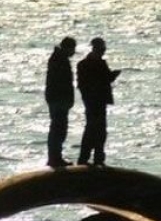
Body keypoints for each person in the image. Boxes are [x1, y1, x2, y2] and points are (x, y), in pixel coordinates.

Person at [76, 37, 121, 166]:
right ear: (95, 49)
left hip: (100, 101)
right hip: (92, 102)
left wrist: (113, 75)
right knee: (92, 129)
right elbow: (83, 84)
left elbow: (106, 79)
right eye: (102, 49)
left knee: (100, 130)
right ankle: (84, 159)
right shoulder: (84, 64)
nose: (103, 52)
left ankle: (98, 158)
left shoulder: (99, 63)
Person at [44, 36, 77, 168]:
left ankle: (55, 156)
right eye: (73, 48)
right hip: (58, 99)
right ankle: (54, 158)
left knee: (58, 129)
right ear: (68, 48)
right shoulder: (59, 60)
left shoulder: (58, 58)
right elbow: (61, 82)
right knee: (58, 129)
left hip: (57, 99)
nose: (74, 52)